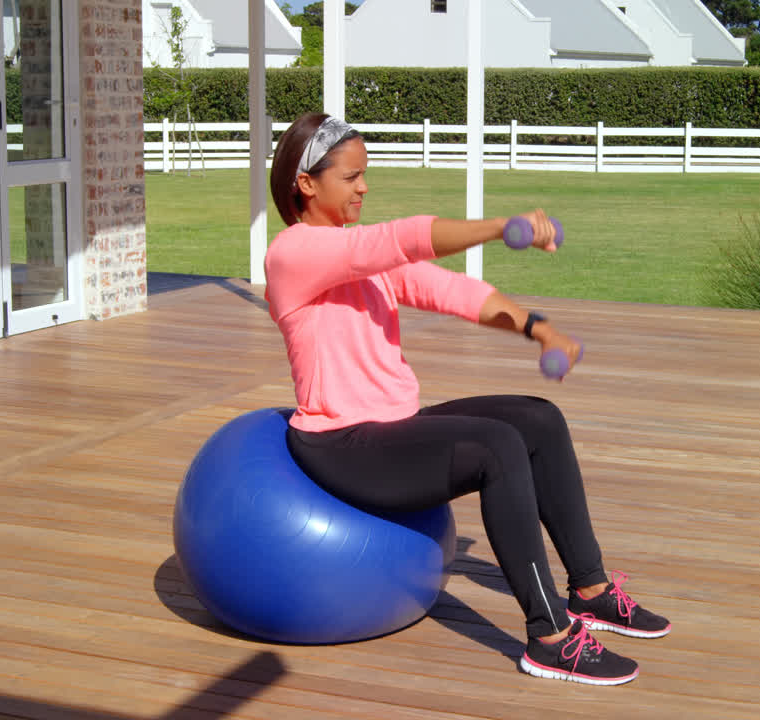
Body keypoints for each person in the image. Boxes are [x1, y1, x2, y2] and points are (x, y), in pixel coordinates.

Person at [263, 113, 671, 686]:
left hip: (392, 426)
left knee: (538, 419)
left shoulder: (361, 259)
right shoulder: (294, 252)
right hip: (342, 444)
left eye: (365, 175)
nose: (364, 187)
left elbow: (448, 289)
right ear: (307, 184)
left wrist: (538, 328)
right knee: (497, 446)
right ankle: (550, 637)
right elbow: (399, 236)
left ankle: (591, 590)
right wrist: (502, 225)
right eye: (352, 176)